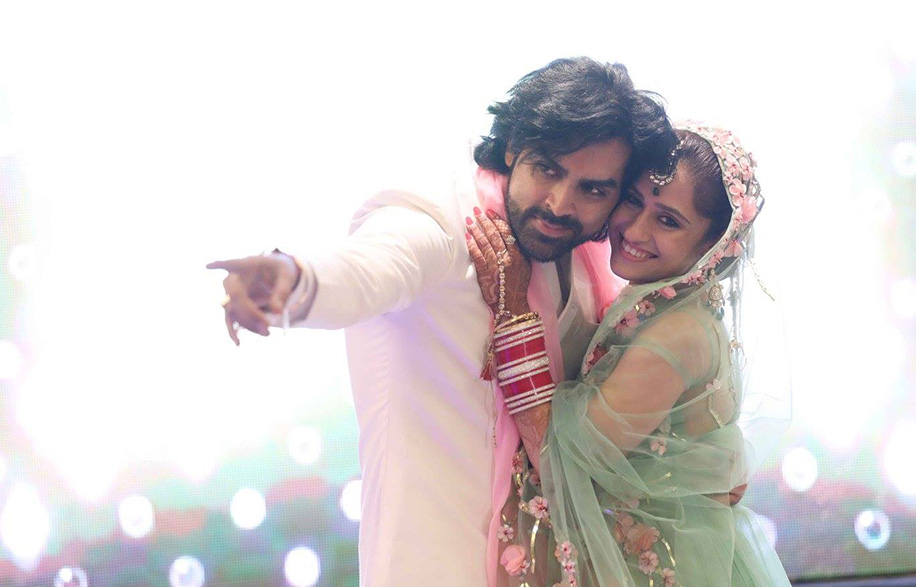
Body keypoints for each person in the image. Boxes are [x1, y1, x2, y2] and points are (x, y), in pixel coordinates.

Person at [207, 57, 678, 587]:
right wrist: (293, 283)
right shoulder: (444, 222)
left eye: (592, 189)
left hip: (548, 563)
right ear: (512, 148)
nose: (560, 204)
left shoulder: (589, 262)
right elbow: (371, 269)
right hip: (433, 558)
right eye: (548, 168)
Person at [468, 123, 792, 586]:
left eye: (668, 220)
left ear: (713, 245)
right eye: (633, 201)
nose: (635, 229)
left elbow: (561, 463)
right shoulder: (661, 302)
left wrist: (513, 310)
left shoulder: (677, 333)